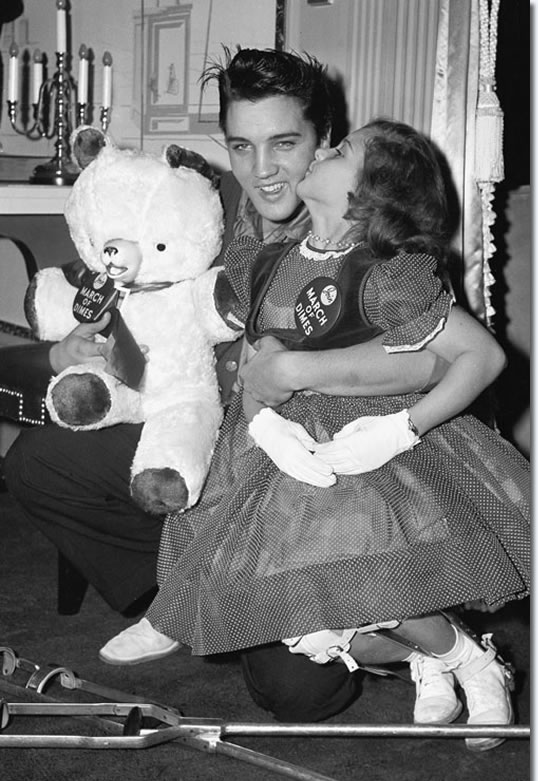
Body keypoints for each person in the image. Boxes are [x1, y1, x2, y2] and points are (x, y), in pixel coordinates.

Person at [0, 48, 474, 724]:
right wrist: (84, 348)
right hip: (211, 443)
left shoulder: (369, 227)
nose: (263, 170)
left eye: (285, 143)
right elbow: (143, 299)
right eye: (243, 146)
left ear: (326, 141)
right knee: (39, 465)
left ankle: (415, 630)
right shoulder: (206, 209)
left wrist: (301, 370)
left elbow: (439, 360)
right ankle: (182, 593)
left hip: (320, 487)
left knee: (297, 695)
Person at [101, 118, 530, 752]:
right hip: (280, 454)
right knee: (310, 620)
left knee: (375, 586)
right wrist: (262, 420)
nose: (322, 153)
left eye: (342, 150)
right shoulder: (276, 257)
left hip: (366, 452)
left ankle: (467, 660)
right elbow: (256, 361)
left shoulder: (389, 269)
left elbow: (482, 359)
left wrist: (401, 430)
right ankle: (450, 654)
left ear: (368, 192)